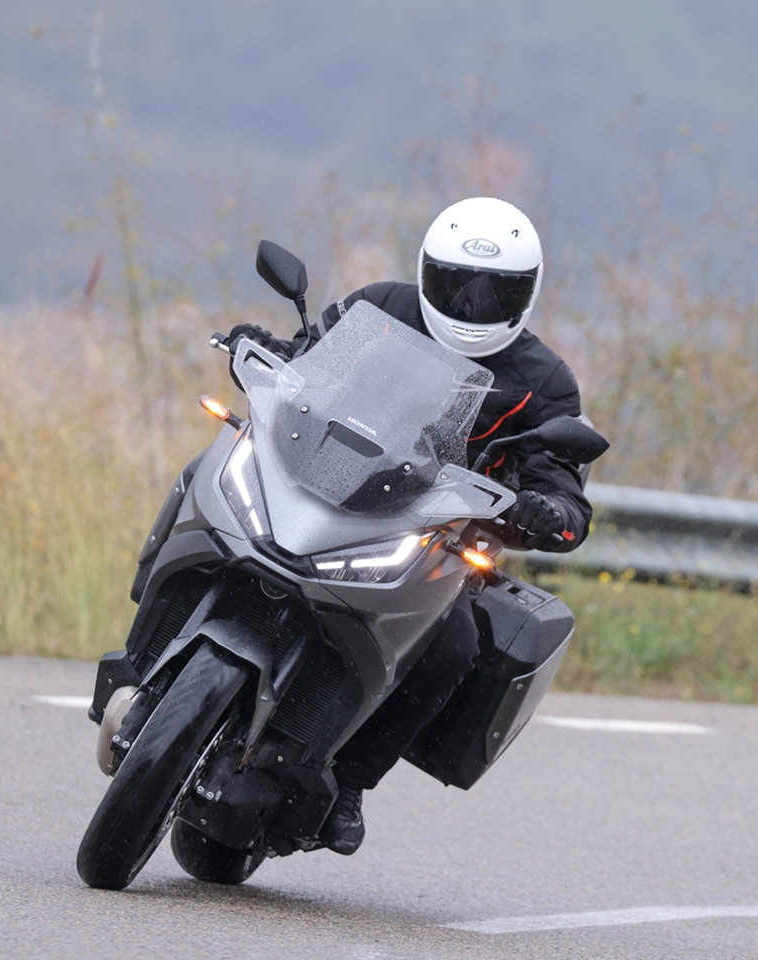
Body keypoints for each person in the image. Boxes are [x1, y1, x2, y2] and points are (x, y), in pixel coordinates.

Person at [225, 197, 593, 854]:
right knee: (216, 487)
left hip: (433, 541)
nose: (473, 303)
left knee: (454, 643)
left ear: (526, 293)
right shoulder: (381, 308)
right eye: (458, 283)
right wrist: (270, 349)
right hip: (319, 485)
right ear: (427, 271)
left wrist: (548, 512)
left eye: (495, 291)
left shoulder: (545, 383)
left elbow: (562, 489)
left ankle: (349, 780)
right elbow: (309, 362)